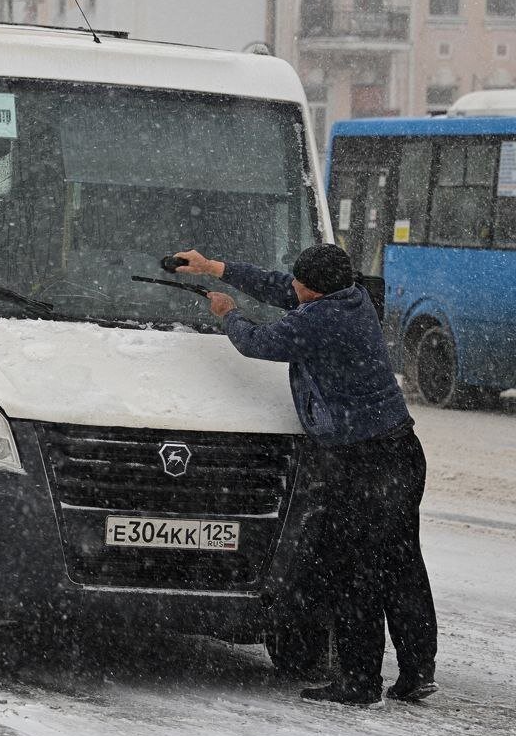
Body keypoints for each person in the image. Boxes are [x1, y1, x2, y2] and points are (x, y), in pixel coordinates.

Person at [174, 244, 438, 709]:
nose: (290, 286)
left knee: (353, 572)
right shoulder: (349, 298)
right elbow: (280, 288)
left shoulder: (322, 320)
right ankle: (417, 671)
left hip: (364, 461)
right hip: (399, 452)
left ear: (314, 289)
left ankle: (358, 683)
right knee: (400, 565)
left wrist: (228, 312)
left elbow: (262, 343)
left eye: (298, 281)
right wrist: (217, 267)